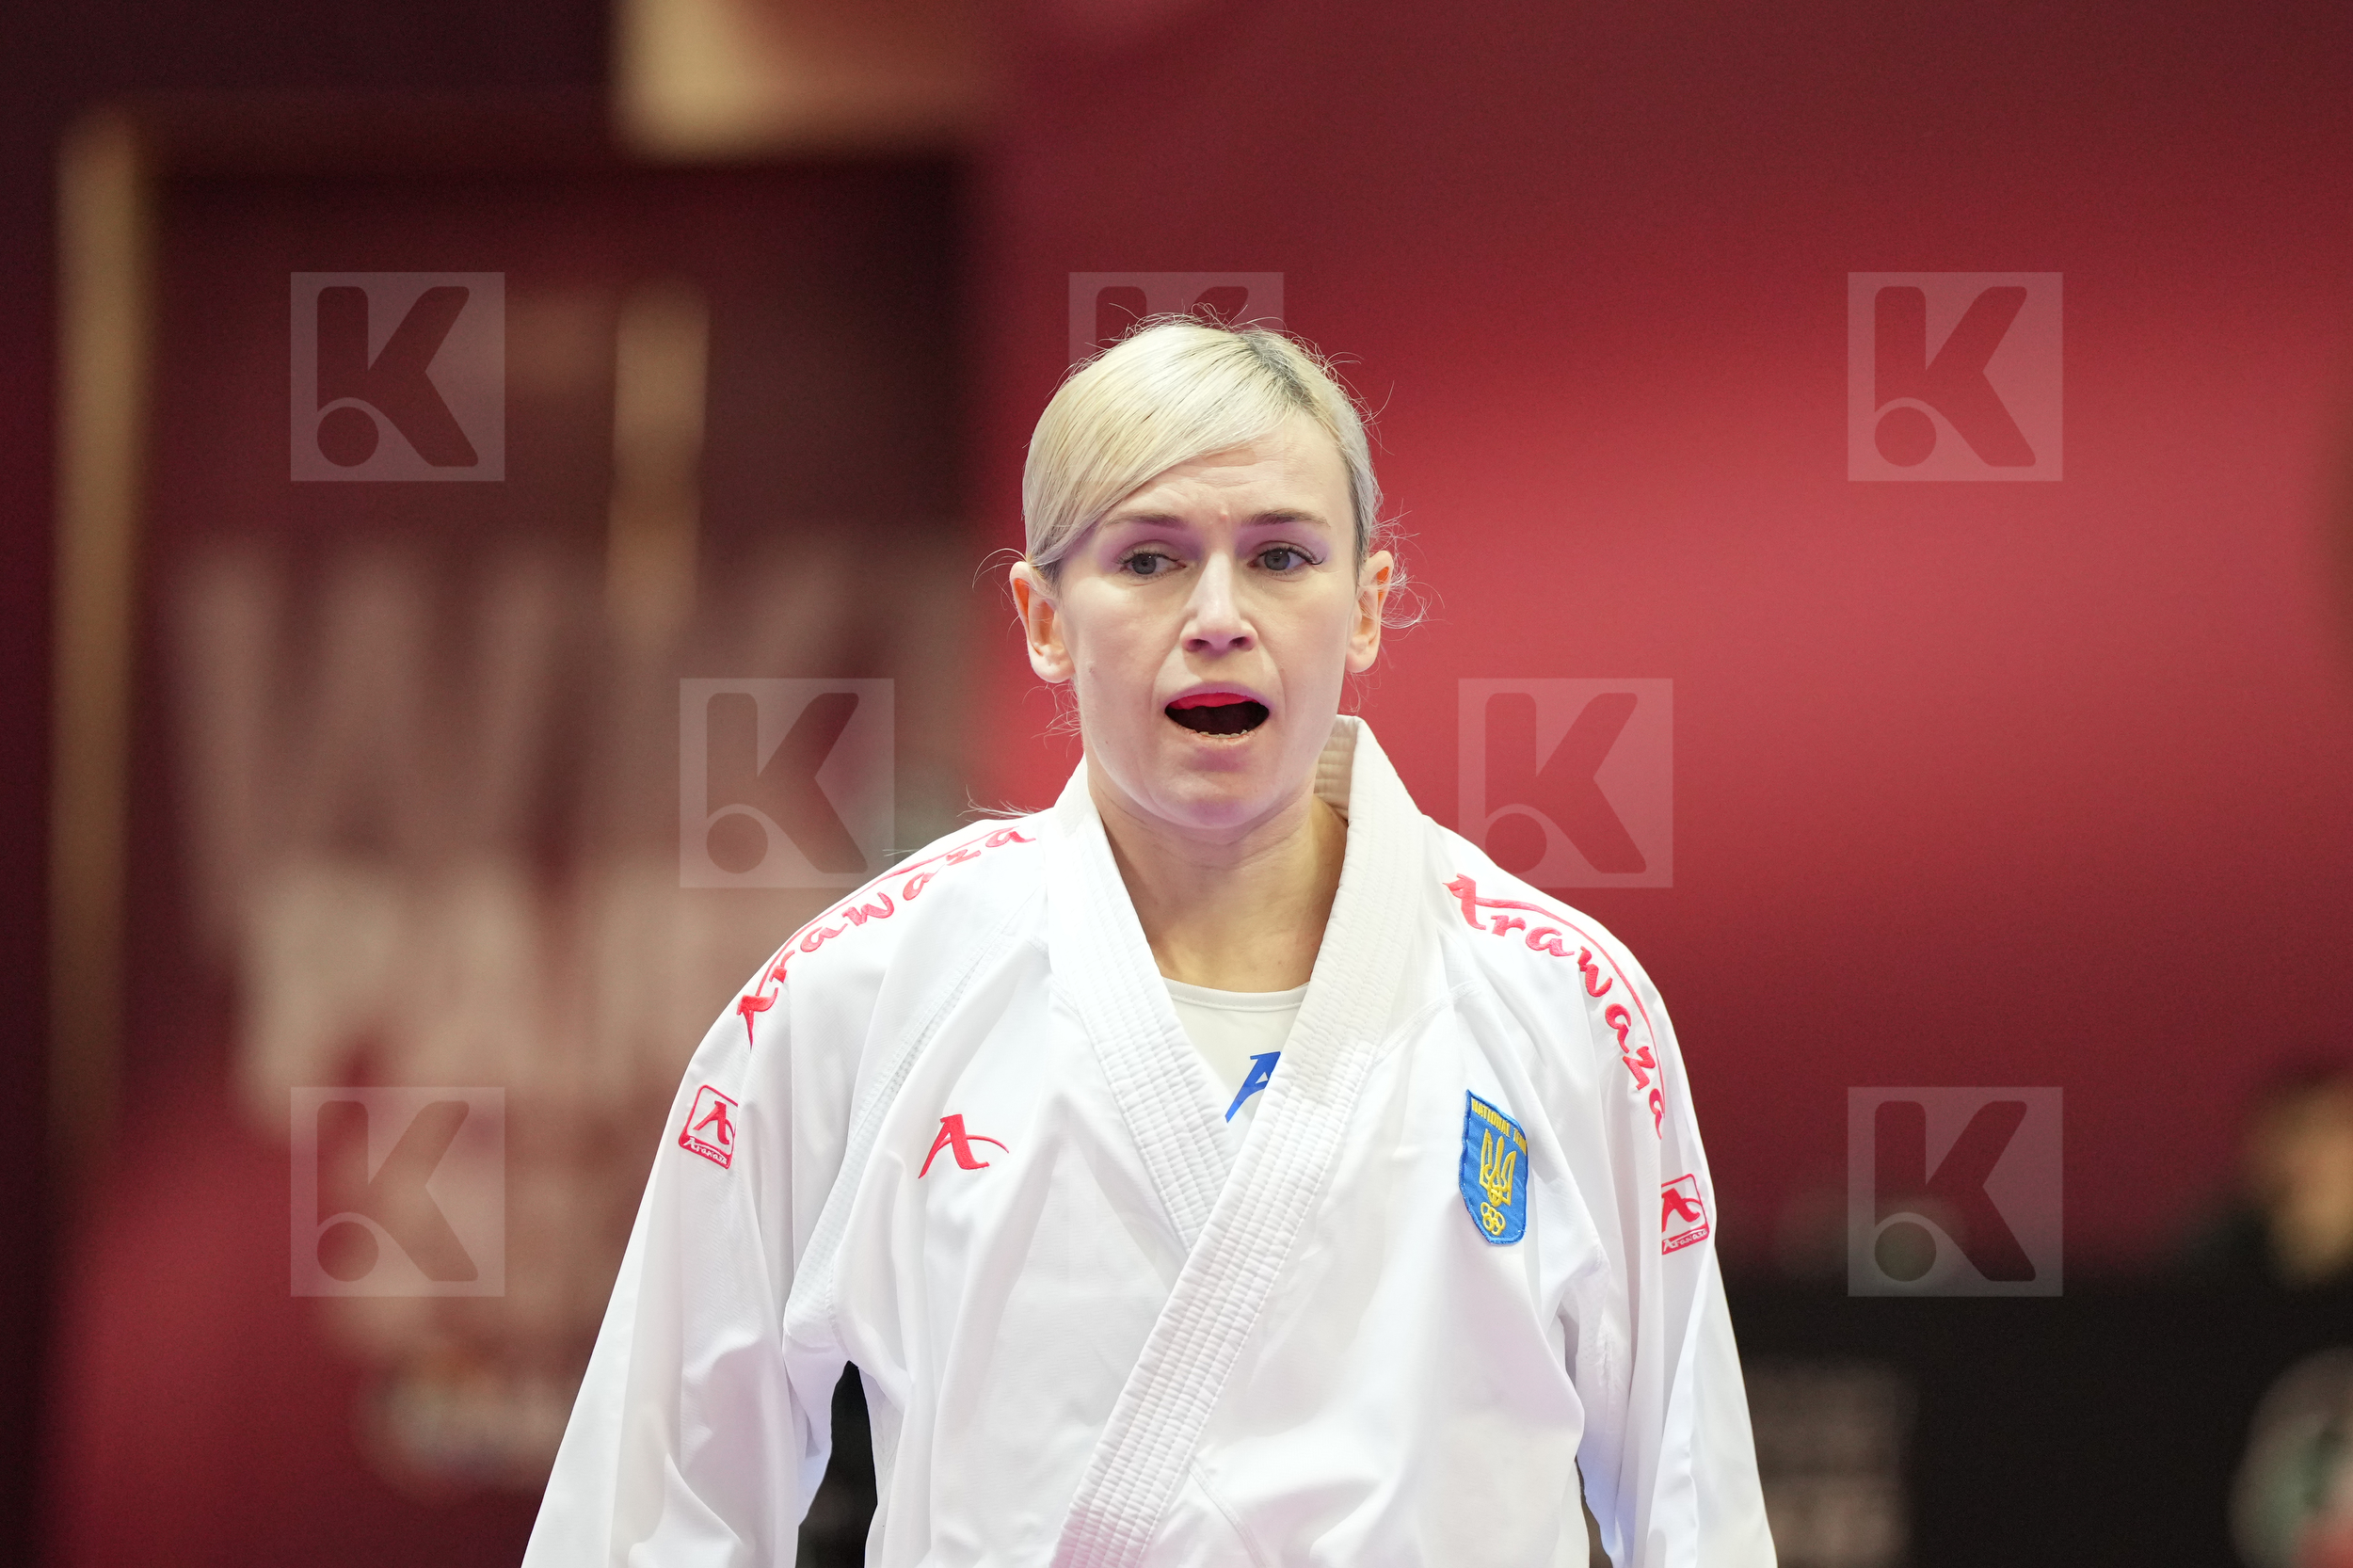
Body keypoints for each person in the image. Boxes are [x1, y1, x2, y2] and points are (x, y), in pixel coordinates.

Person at [524, 320, 1773, 1565]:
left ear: (1370, 604)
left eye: (1282, 554)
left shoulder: (1560, 998)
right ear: (1044, 617)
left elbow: (1694, 1508)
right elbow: (653, 1508)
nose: (1220, 613)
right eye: (1151, 559)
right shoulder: (860, 992)